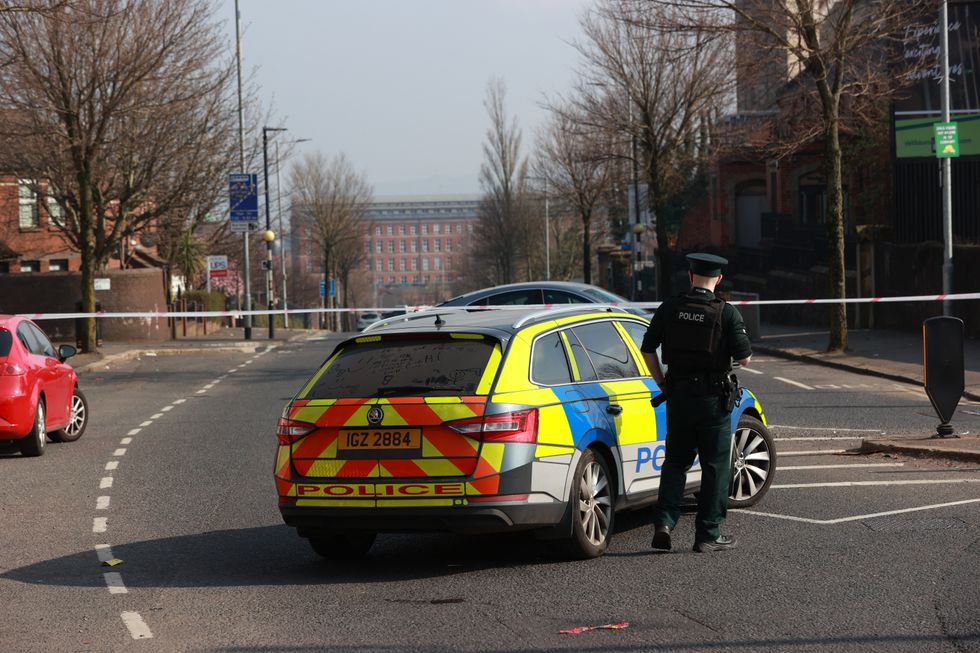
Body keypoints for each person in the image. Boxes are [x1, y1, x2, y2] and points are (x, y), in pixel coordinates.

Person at [640, 253, 752, 553]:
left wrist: (662, 383)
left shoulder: (670, 307)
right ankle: (708, 534)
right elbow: (744, 357)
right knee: (715, 465)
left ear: (690, 276)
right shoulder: (726, 313)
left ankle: (664, 522)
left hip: (678, 397)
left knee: (676, 461)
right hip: (712, 400)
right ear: (719, 279)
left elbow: (648, 349)